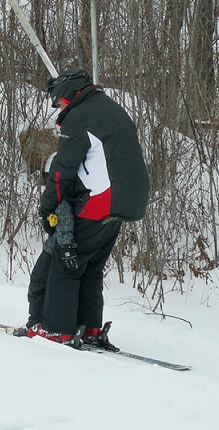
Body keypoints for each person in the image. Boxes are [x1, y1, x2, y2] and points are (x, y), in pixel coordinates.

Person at [24, 68, 150, 348]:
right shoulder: (109, 109)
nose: (58, 109)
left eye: (58, 103)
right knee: (90, 267)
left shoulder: (80, 117)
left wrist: (47, 209)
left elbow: (61, 170)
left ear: (68, 96)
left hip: (100, 201)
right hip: (126, 203)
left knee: (64, 263)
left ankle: (58, 330)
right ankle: (89, 328)